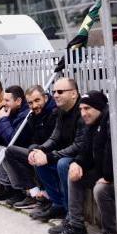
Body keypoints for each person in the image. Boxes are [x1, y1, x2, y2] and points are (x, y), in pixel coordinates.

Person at [49, 91, 117, 234]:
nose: (83, 113)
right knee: (74, 175)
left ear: (99, 107)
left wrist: (109, 177)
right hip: (111, 174)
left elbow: (116, 147)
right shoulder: (93, 123)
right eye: (81, 109)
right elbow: (85, 148)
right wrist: (77, 163)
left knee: (101, 189)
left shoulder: (115, 118)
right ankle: (76, 225)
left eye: (87, 108)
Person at [29, 78, 86, 222]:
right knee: (39, 159)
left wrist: (49, 156)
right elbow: (55, 137)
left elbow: (80, 145)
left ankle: (70, 214)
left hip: (84, 158)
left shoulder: (82, 110)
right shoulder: (61, 110)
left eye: (60, 92)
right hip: (68, 153)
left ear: (74, 93)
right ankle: (57, 204)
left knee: (62, 163)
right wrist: (40, 150)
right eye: (54, 92)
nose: (55, 95)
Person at [3, 85, 57, 209]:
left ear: (45, 97)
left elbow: (53, 139)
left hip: (50, 152)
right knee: (10, 151)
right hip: (38, 150)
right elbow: (34, 138)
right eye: (30, 103)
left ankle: (46, 196)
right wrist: (33, 148)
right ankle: (34, 193)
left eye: (37, 100)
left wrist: (37, 149)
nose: (34, 105)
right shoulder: (33, 115)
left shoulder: (54, 112)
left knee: (15, 151)